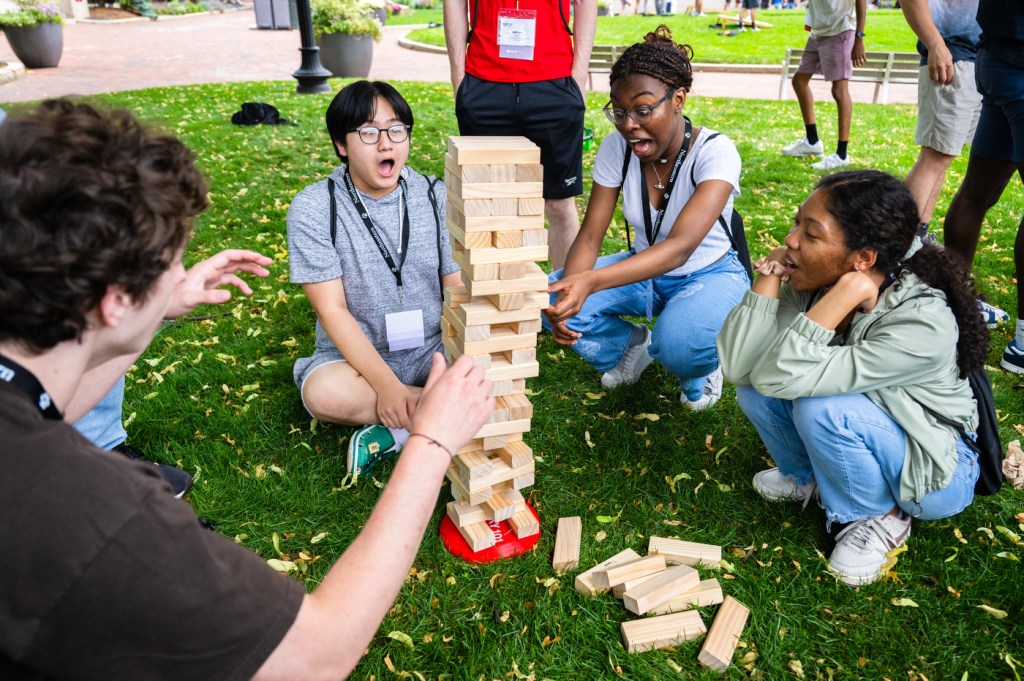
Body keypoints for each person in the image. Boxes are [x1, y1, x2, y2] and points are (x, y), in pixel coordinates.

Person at [0, 98, 494, 680]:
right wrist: (431, 444)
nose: (179, 275)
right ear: (114, 301)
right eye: (170, 265)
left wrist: (156, 311)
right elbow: (316, 656)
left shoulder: (22, 413)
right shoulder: (100, 516)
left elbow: (43, 407)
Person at [718, 170, 984, 586]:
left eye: (811, 234)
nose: (790, 241)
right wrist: (767, 281)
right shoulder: (814, 276)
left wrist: (844, 296)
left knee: (821, 407)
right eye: (796, 223)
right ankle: (810, 476)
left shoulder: (922, 323)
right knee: (756, 387)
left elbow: (780, 377)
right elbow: (740, 369)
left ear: (862, 259)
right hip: (875, 420)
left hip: (936, 468)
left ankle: (879, 515)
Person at [544, 26, 749, 411]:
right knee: (550, 297)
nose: (628, 125)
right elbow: (590, 237)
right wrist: (571, 289)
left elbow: (679, 249)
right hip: (644, 273)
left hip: (710, 274)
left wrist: (592, 280)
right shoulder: (616, 147)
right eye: (618, 112)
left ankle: (701, 367)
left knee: (678, 346)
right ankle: (630, 348)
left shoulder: (716, 153)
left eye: (642, 109)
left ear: (678, 99)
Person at [287, 80, 463, 476]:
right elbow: (332, 311)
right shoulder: (315, 207)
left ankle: (399, 432)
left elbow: (455, 290)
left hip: (432, 349)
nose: (386, 144)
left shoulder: (435, 194)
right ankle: (448, 414)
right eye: (369, 132)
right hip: (352, 359)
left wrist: (461, 356)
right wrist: (385, 385)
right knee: (322, 394)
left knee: (487, 362)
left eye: (396, 129)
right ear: (341, 144)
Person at [70, 248, 274, 498]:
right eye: (167, 264)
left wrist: (161, 310)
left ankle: (101, 448)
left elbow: (54, 406)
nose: (180, 274)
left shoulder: (28, 400)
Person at [443, 0, 596, 270]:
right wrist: (459, 75)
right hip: (483, 82)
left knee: (559, 204)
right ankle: (504, 304)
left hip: (554, 81)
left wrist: (578, 76)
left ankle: (563, 308)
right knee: (491, 204)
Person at [942, 0, 1024, 372]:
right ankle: (1022, 345)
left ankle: (953, 310)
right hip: (1015, 60)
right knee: (976, 194)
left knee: (976, 193)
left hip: (996, 57)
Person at [780, 0, 867, 170]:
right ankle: (812, 142)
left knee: (839, 90)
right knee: (799, 81)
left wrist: (859, 36)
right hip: (820, 31)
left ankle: (841, 155)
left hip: (841, 30)